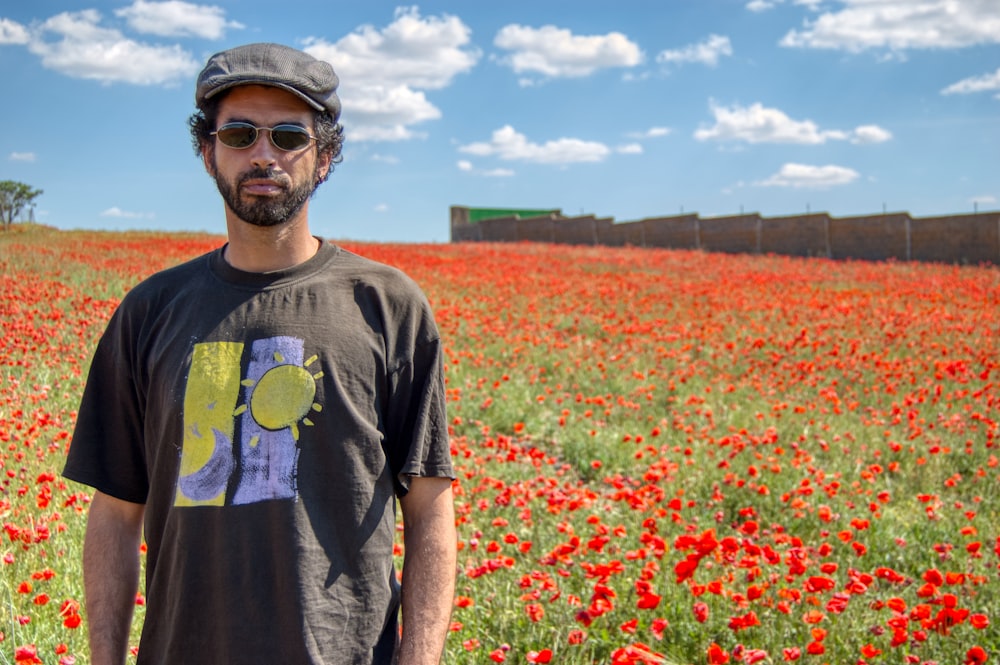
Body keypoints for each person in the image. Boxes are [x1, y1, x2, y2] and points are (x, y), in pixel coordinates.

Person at [63, 42, 457, 665]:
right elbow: (114, 513)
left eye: (289, 135)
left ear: (324, 156)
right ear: (207, 152)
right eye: (240, 133)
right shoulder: (149, 311)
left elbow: (430, 511)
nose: (263, 154)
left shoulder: (388, 305)